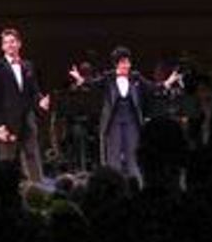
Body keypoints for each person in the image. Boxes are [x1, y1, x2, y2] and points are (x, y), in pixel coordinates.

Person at [68, 46, 182, 183]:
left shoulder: (136, 77)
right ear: (116, 63)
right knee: (113, 156)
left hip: (131, 120)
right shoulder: (108, 77)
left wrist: (169, 81)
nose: (126, 65)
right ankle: (113, 185)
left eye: (128, 62)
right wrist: (79, 78)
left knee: (133, 154)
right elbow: (92, 84)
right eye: (123, 62)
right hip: (113, 121)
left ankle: (137, 184)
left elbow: (152, 88)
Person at [0, 27, 51, 184]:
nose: (9, 45)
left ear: (19, 44)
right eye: (6, 42)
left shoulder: (28, 65)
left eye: (12, 42)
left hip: (27, 118)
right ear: (2, 46)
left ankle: (38, 191)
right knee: (8, 161)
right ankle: (8, 196)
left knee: (32, 156)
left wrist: (41, 101)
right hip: (7, 122)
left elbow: (34, 91)